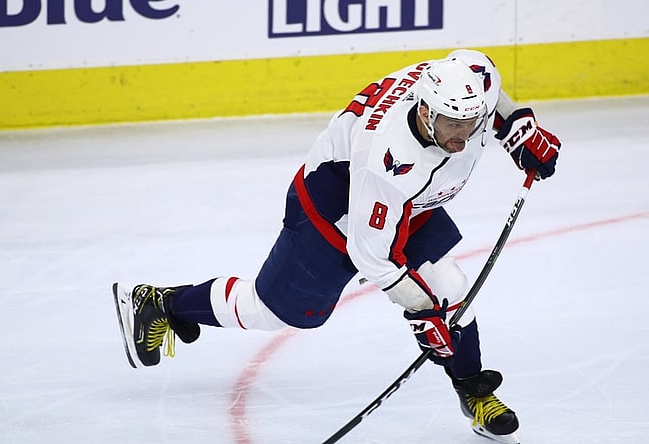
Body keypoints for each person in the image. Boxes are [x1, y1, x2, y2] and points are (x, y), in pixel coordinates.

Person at [112, 49, 560, 443]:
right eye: (452, 125)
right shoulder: (387, 162)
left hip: (411, 204)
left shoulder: (465, 78)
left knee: (453, 286)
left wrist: (516, 124)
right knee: (268, 311)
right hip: (335, 211)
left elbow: (491, 93)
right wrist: (423, 315)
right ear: (425, 112)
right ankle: (163, 304)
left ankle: (475, 393)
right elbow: (374, 258)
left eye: (472, 122)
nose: (463, 136)